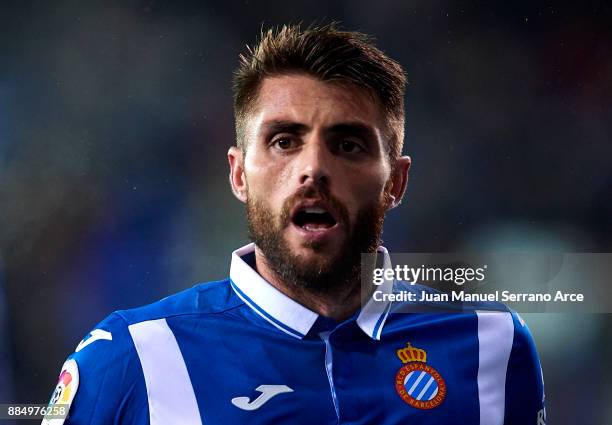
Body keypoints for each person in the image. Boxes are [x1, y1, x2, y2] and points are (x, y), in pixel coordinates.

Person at [43, 23, 546, 425]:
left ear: (396, 181)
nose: (313, 168)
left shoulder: (494, 346)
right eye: (284, 141)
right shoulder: (131, 358)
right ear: (239, 174)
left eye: (347, 144)